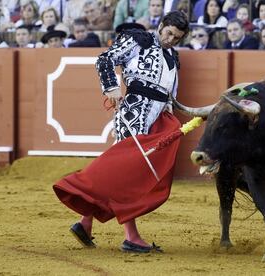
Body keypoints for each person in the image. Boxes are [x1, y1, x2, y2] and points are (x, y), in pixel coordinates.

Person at [53, 11, 190, 253]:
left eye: (177, 38)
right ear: (161, 25)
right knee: (129, 175)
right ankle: (131, 237)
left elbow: (170, 98)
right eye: (169, 33)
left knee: (120, 174)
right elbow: (105, 59)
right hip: (133, 114)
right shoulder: (140, 40)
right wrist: (111, 88)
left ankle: (86, 222)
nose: (170, 40)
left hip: (156, 121)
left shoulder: (173, 58)